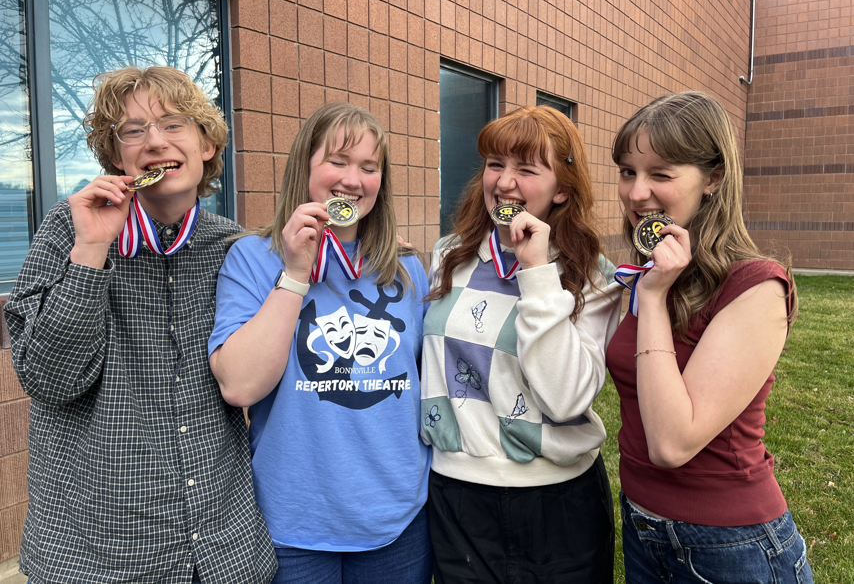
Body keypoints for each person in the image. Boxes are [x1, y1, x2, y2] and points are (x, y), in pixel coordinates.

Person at [3, 66, 276, 583]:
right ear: (115, 156)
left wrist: (365, 244)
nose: (154, 141)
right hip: (96, 556)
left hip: (222, 551)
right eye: (133, 131)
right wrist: (90, 253)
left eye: (174, 124)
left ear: (207, 144)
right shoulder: (69, 232)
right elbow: (48, 381)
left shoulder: (235, 247)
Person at [208, 101, 432, 584]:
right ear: (304, 167)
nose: (353, 180)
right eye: (337, 161)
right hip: (294, 523)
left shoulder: (408, 269)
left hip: (397, 518)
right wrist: (294, 273)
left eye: (369, 167)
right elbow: (240, 387)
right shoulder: (253, 257)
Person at [606, 91, 814, 583]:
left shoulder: (756, 285)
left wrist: (653, 300)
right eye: (627, 171)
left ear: (714, 178)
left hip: (730, 544)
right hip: (642, 526)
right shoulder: (653, 273)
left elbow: (673, 443)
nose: (637, 193)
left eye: (660, 174)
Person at [420, 105, 623, 583]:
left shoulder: (595, 279)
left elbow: (566, 397)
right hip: (458, 495)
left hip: (559, 502)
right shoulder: (447, 256)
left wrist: (535, 273)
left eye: (527, 169)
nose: (505, 182)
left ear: (563, 191)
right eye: (496, 164)